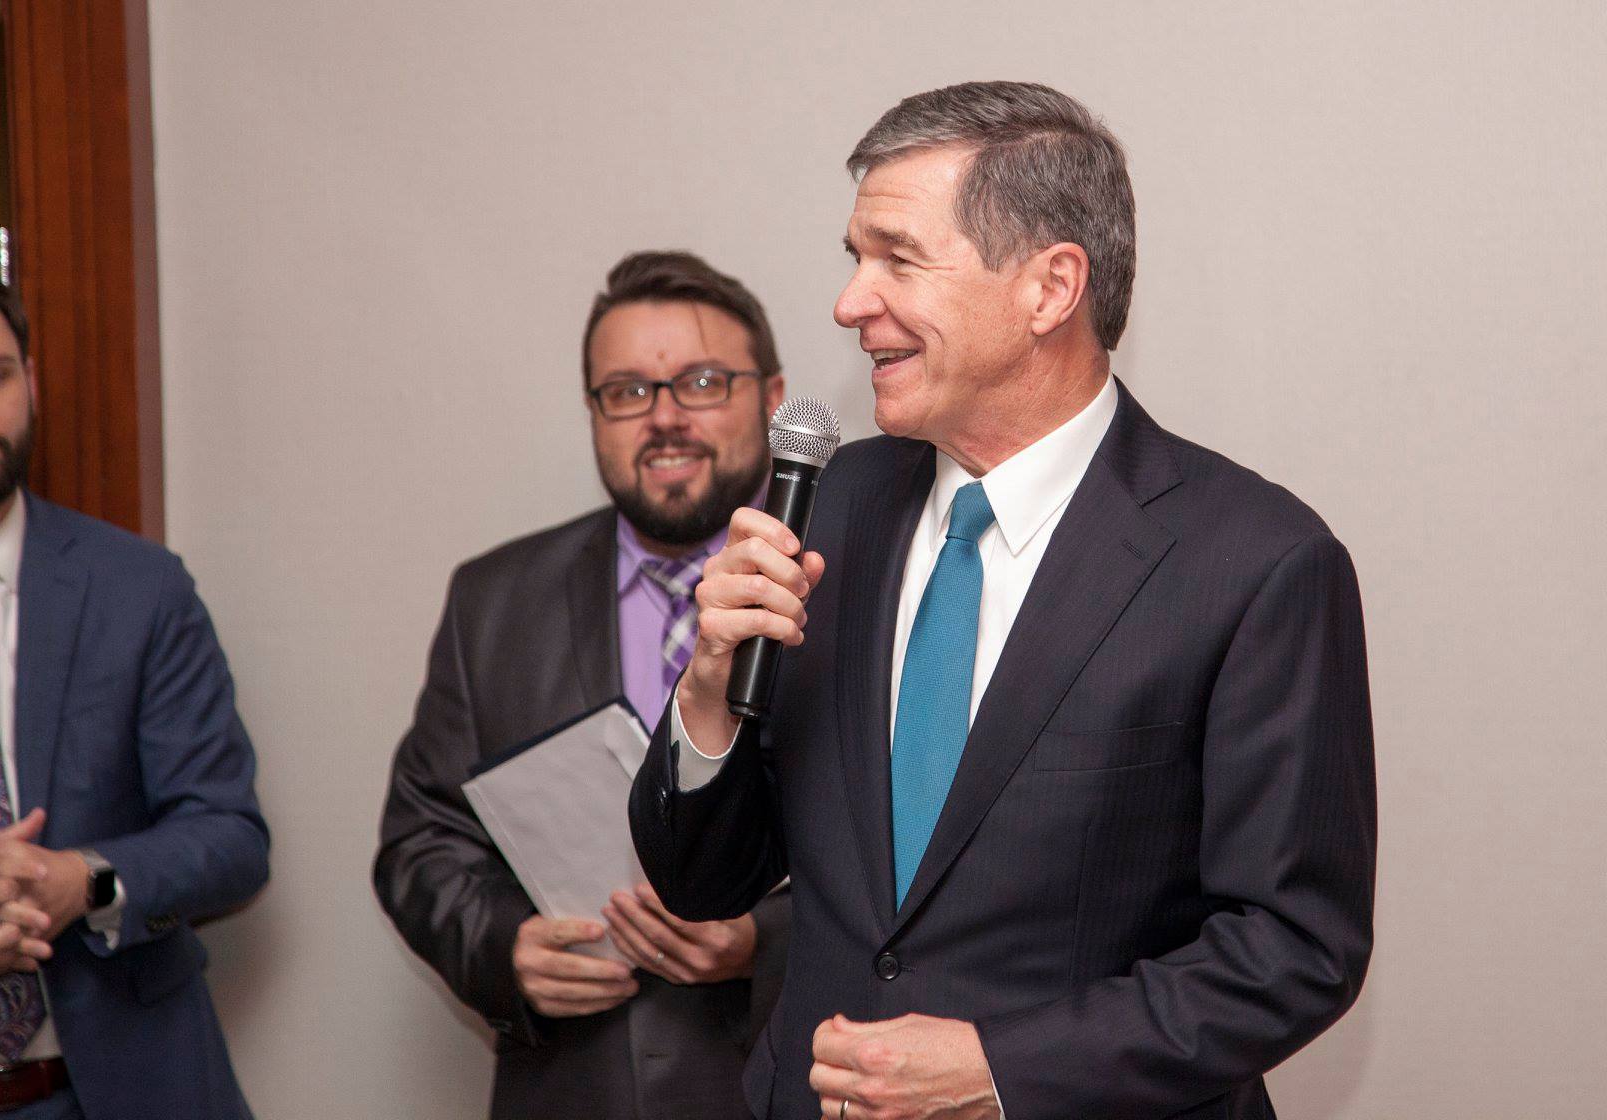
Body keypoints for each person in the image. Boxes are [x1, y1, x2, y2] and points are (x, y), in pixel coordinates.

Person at [630, 82, 1377, 1120]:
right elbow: (703, 884)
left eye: (897, 259)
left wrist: (1001, 1071)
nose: (850, 303)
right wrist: (708, 694)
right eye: (854, 258)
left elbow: (1292, 949)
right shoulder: (832, 505)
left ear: (1049, 288)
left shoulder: (1255, 563)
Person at [375, 251, 792, 1119]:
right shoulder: (492, 601)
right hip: (572, 1086)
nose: (665, 418)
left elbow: (928, 862)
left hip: (785, 1082)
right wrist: (505, 949)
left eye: (703, 383)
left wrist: (762, 940)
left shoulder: (861, 586)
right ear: (595, 413)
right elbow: (420, 842)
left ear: (773, 398)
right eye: (627, 391)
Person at [0, 257, 267, 1118]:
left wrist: (85, 880)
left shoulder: (139, 591)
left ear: (31, 382)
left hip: (127, 1091)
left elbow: (230, 835)